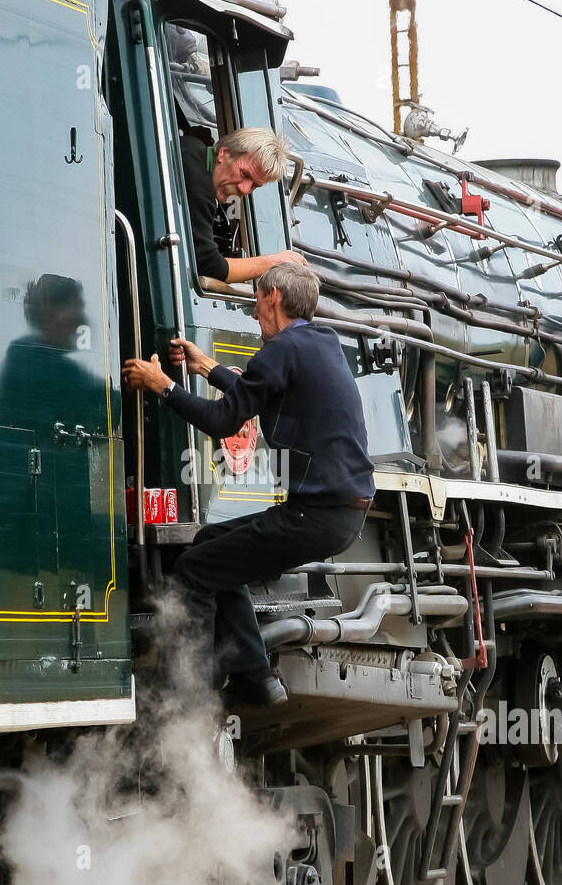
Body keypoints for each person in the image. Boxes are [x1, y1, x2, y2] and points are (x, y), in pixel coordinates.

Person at [121, 263, 375, 707]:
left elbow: (223, 419)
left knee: (195, 571)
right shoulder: (319, 342)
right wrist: (207, 368)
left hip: (313, 516)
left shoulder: (281, 349)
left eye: (256, 301)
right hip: (340, 513)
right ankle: (255, 676)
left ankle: (190, 701)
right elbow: (265, 388)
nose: (253, 313)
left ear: (273, 297)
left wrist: (163, 386)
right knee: (211, 542)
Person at [180, 126, 308, 282]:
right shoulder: (199, 183)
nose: (245, 189)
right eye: (244, 174)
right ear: (224, 153)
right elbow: (208, 265)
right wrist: (273, 262)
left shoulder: (194, 147)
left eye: (255, 185)